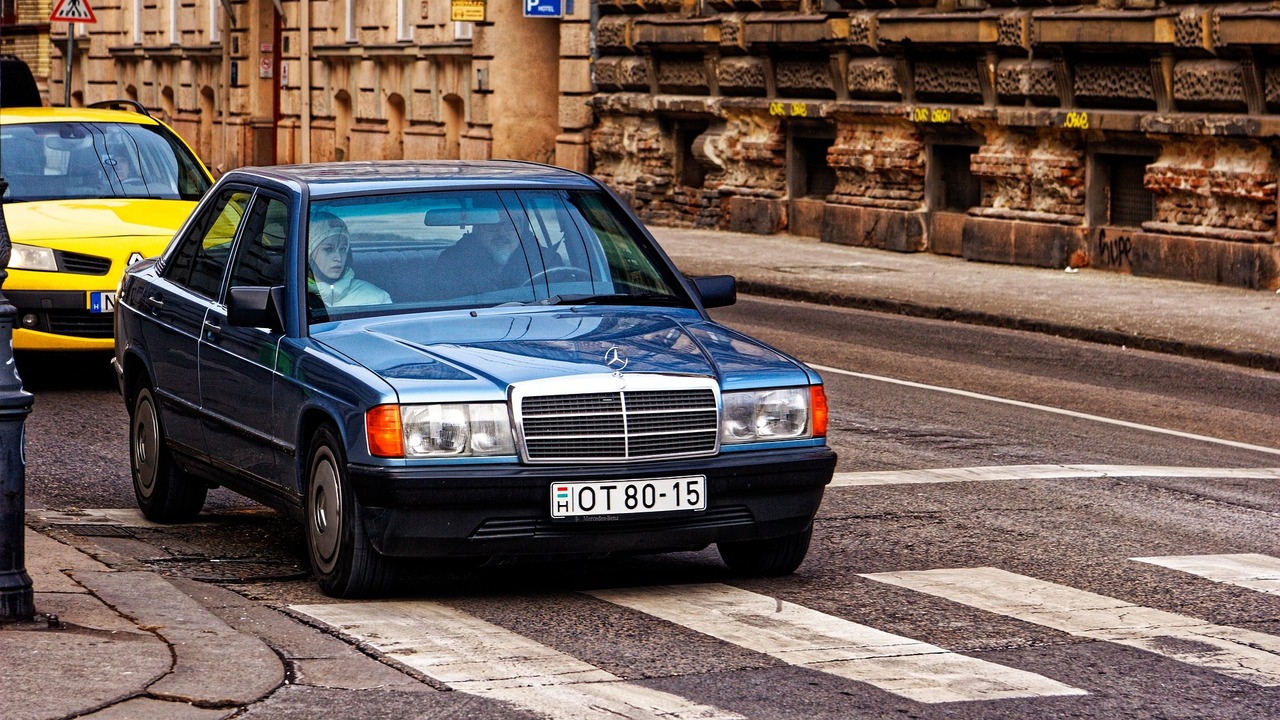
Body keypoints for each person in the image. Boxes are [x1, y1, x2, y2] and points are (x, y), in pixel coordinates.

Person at [307, 212, 392, 307]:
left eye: (343, 249)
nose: (338, 258)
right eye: (328, 249)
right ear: (309, 254)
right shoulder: (294, 298)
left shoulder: (377, 298)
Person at [430, 222, 531, 300]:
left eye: (511, 225)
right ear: (477, 229)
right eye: (492, 225)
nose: (502, 232)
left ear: (522, 229)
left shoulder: (540, 257)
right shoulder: (452, 261)